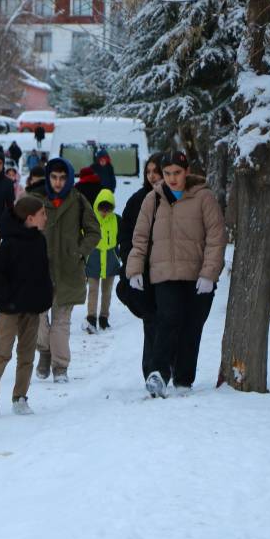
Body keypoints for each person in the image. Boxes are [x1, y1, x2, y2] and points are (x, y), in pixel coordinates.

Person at [125, 150, 227, 398]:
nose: (172, 178)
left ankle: (183, 378)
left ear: (187, 171)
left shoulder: (204, 198)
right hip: (165, 274)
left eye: (177, 173)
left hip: (197, 276)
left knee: (192, 327)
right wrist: (135, 268)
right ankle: (158, 373)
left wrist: (209, 274)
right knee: (167, 320)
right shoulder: (154, 199)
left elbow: (216, 238)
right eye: (167, 173)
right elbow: (139, 238)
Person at [0, 196, 52, 417]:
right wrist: (5, 298)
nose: (46, 218)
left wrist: (44, 298)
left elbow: (42, 274)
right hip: (9, 309)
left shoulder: (40, 240)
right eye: (42, 214)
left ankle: (20, 397)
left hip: (32, 308)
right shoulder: (9, 244)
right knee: (2, 352)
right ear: (30, 218)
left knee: (27, 354)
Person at [29, 157, 101, 382]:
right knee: (38, 317)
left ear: (69, 178)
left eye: (62, 178)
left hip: (69, 269)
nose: (58, 182)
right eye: (54, 177)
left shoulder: (78, 200)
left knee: (61, 320)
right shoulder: (35, 200)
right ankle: (44, 352)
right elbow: (21, 227)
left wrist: (80, 251)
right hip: (38, 268)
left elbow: (93, 231)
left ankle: (60, 366)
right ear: (48, 177)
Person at [118, 153, 163, 376]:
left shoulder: (176, 199)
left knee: (170, 321)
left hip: (170, 271)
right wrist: (131, 264)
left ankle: (168, 367)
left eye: (156, 171)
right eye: (149, 171)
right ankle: (152, 371)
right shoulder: (138, 200)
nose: (152, 176)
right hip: (145, 273)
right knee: (152, 322)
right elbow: (125, 236)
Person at [84, 189, 122, 333]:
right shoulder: (90, 219)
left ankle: (104, 317)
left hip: (110, 259)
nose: (104, 212)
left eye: (108, 208)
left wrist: (118, 254)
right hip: (94, 257)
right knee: (93, 290)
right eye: (101, 208)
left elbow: (121, 238)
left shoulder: (117, 220)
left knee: (107, 291)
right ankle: (91, 318)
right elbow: (83, 236)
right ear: (96, 206)